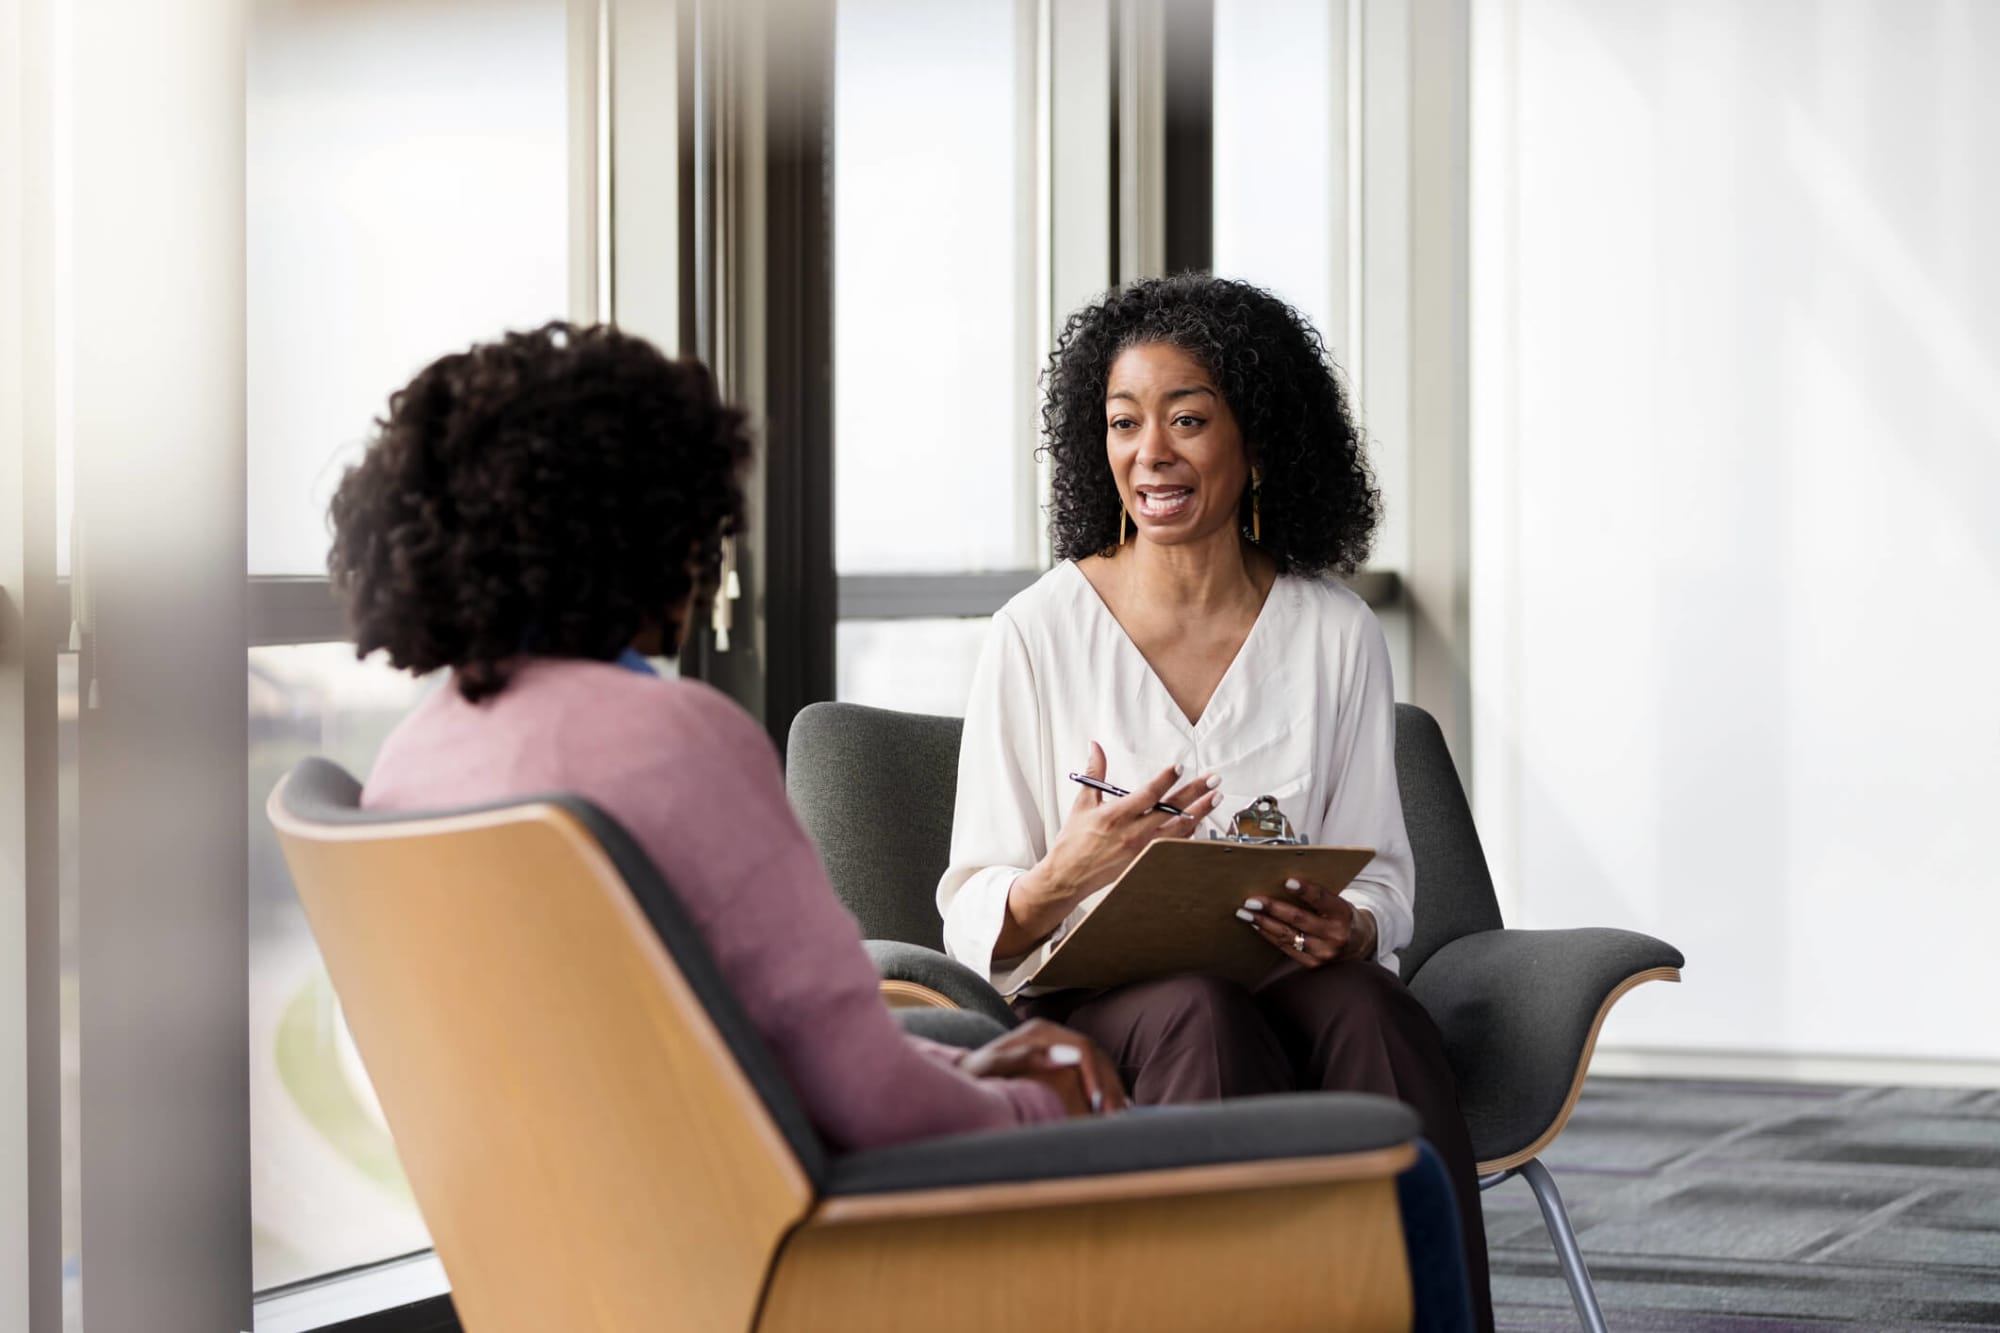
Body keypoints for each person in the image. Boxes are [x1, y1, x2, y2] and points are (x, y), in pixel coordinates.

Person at [332, 321, 1128, 1154]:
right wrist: (1044, 1109)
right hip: (804, 1254)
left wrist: (968, 1068)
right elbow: (869, 1102)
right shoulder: (677, 742)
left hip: (563, 1247)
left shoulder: (413, 758)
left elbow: (733, 1045)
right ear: (649, 527)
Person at [938, 273, 1492, 1329]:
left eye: (1187, 419)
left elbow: (1377, 864)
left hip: (1280, 971)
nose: (1150, 453)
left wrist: (1351, 920)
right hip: (1102, 998)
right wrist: (1067, 872)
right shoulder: (1035, 633)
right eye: (1121, 422)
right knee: (1199, 1010)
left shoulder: (1332, 632)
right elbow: (972, 899)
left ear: (1258, 441)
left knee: (1376, 1012)